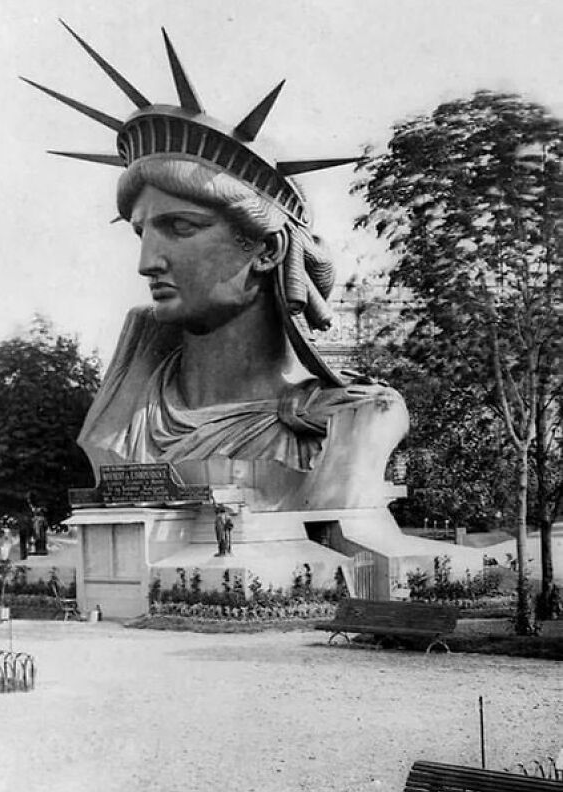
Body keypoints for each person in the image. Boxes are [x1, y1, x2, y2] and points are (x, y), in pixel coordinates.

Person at [25, 27, 408, 512]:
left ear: (266, 250)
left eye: (180, 227)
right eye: (141, 233)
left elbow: (350, 542)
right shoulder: (125, 412)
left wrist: (362, 443)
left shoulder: (345, 419)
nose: (147, 263)